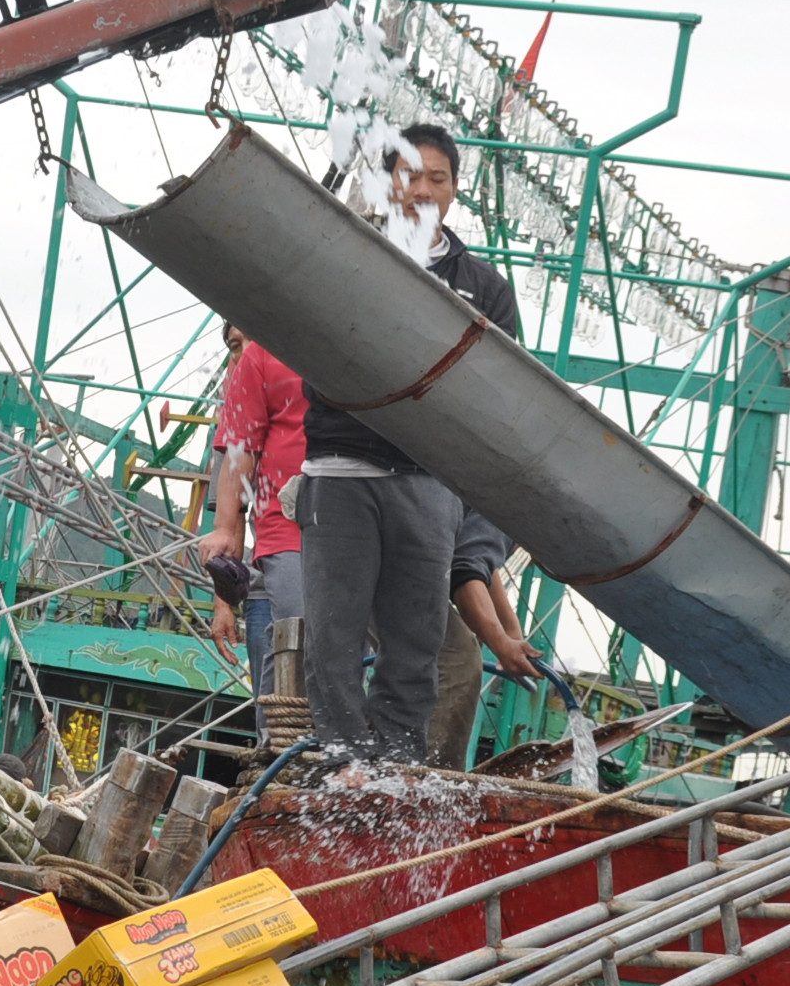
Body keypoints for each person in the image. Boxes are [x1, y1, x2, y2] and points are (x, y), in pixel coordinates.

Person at [296, 122, 520, 763]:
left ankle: (396, 766)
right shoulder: (347, 255)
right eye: (408, 174)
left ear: (455, 189)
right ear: (387, 181)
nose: (421, 189)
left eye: (436, 178)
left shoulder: (484, 288)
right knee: (332, 637)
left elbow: (500, 390)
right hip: (340, 471)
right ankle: (342, 765)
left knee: (417, 642)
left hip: (429, 481)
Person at [205, 321, 310, 687]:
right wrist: (223, 604)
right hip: (267, 577)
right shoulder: (235, 428)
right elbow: (228, 520)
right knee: (278, 693)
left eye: (254, 339)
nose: (247, 352)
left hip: (329, 548)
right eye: (236, 345)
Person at [428, 508, 544, 768]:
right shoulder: (512, 507)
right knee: (457, 659)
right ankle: (434, 786)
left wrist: (511, 630)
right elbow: (465, 572)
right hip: (385, 560)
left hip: (370, 550)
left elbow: (479, 561)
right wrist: (500, 643)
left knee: (418, 665)